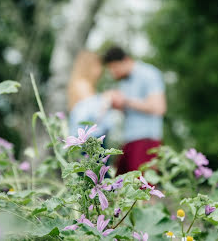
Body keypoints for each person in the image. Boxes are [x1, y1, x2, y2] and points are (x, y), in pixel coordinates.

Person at [102, 46, 166, 174]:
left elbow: (159, 107)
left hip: (146, 140)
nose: (113, 72)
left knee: (142, 187)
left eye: (114, 67)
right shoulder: (123, 82)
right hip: (128, 140)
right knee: (120, 184)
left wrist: (126, 101)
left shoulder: (148, 73)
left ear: (126, 60)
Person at [67, 50, 117, 138]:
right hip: (87, 139)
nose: (101, 70)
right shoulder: (82, 85)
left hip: (91, 137)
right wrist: (106, 100)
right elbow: (94, 115)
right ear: (88, 66)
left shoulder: (85, 85)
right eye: (97, 65)